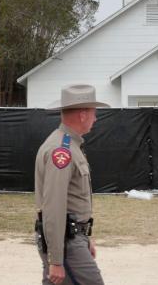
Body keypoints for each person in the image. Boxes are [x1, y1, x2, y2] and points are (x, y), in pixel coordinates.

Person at [34, 84, 109, 285]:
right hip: (67, 245)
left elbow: (72, 202)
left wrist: (85, 239)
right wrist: (56, 260)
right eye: (94, 113)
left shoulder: (68, 144)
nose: (96, 118)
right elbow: (53, 207)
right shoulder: (62, 150)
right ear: (83, 114)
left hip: (72, 240)